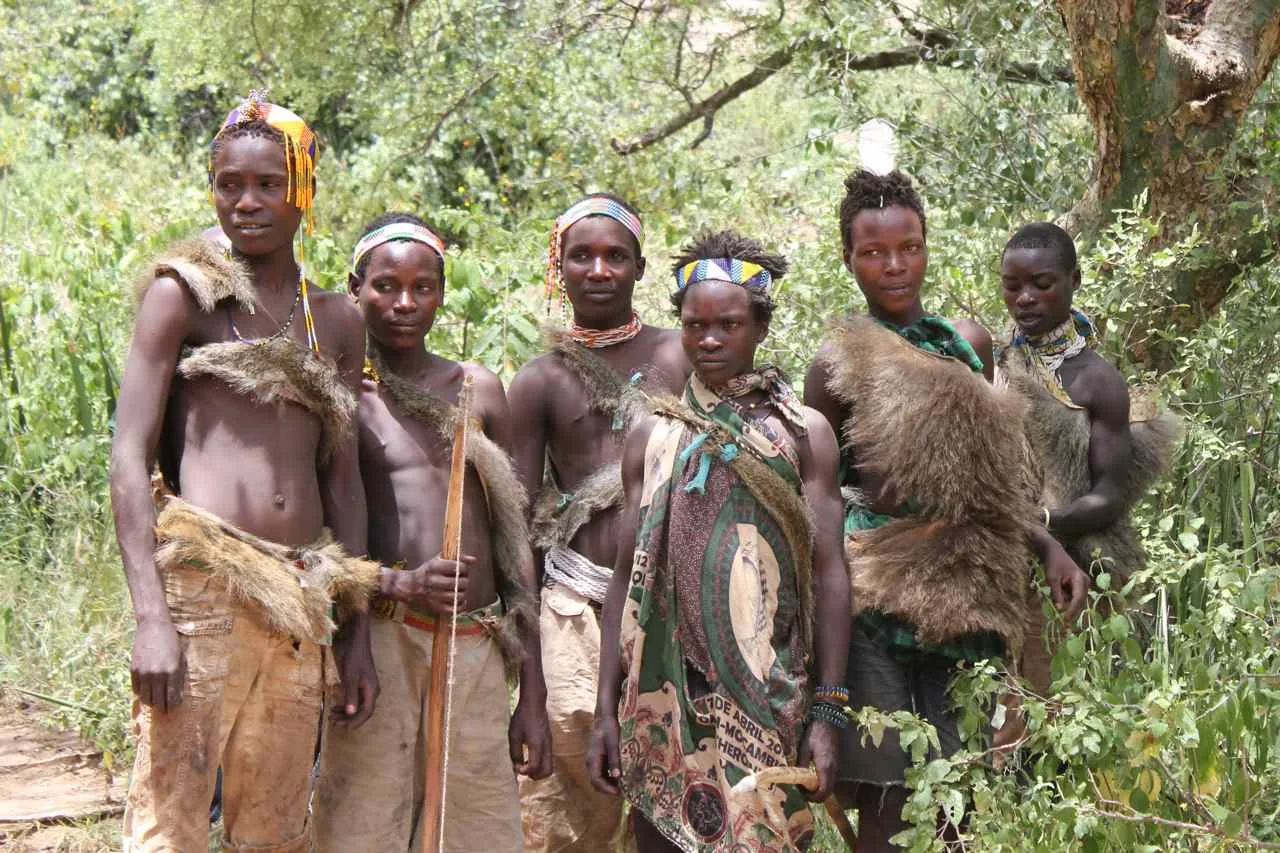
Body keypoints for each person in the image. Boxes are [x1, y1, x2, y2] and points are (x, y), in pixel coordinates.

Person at [111, 93, 377, 852]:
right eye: (229, 183)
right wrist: (152, 617)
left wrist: (351, 637)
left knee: (274, 825)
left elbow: (345, 482)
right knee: (170, 821)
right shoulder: (183, 296)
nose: (247, 202)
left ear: (305, 190)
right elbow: (129, 456)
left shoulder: (336, 318)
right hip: (204, 586)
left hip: (298, 599)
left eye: (268, 184)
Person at [803, 166, 1090, 850]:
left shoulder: (967, 344)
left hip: (964, 588)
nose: (894, 265)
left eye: (909, 246)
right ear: (847, 260)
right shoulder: (836, 360)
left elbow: (992, 477)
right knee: (885, 793)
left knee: (955, 789)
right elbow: (815, 495)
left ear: (929, 244)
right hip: (875, 597)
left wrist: (1048, 547)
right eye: (873, 252)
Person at [587, 231, 850, 852]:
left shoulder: (801, 434)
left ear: (759, 326)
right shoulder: (653, 432)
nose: (709, 339)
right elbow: (626, 577)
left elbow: (830, 573)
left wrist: (829, 710)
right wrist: (605, 709)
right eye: (694, 324)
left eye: (728, 324)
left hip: (770, 695)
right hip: (661, 703)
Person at [314, 213, 552, 851]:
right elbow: (339, 529)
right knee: (365, 824)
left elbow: (516, 542)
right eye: (386, 287)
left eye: (423, 288)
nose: (404, 304)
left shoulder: (476, 389)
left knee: (472, 828)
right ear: (355, 288)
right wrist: (355, 641)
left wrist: (531, 692)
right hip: (385, 634)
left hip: (473, 647)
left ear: (443, 294)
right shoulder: (347, 397)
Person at [509, 193, 689, 851]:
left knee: (669, 788)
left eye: (616, 255)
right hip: (574, 608)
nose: (599, 269)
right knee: (572, 801)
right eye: (580, 255)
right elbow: (521, 532)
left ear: (641, 267)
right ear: (560, 268)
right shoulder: (540, 380)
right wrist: (528, 686)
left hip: (673, 607)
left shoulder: (683, 354)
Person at [996, 221, 1178, 697]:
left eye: (1042, 284)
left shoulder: (1098, 381)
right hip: (999, 562)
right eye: (1012, 286)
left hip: (1071, 567)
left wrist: (1042, 523)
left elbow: (1109, 495)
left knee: (1051, 705)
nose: (1025, 299)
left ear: (1074, 282)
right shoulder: (993, 364)